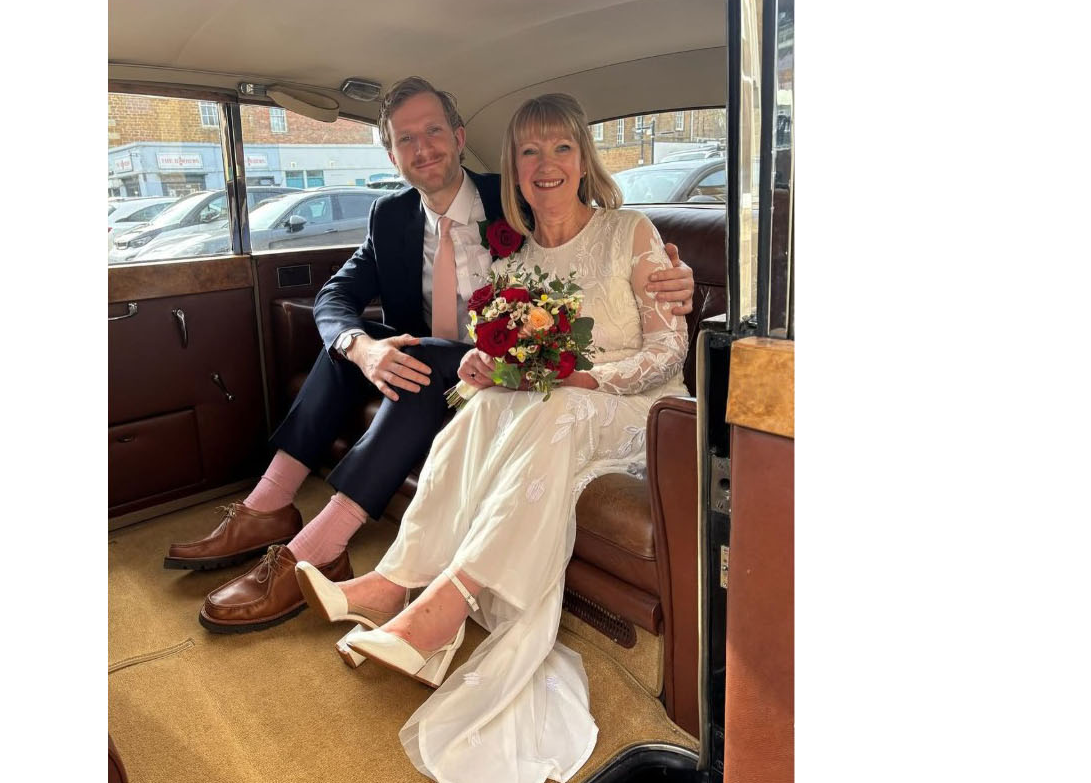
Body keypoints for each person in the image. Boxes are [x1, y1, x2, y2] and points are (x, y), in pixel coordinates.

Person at [165, 77, 695, 638]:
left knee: (415, 355)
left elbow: (603, 257)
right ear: (391, 154)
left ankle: (324, 545)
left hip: (504, 371)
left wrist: (673, 278)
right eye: (406, 139)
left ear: (460, 137)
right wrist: (362, 348)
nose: (423, 149)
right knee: (356, 344)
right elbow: (334, 298)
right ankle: (268, 503)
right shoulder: (390, 218)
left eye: (434, 131)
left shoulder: (517, 197)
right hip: (467, 373)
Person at [295, 92, 689, 782]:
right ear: (510, 165)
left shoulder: (630, 231)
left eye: (561, 147)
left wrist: (583, 377)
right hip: (554, 400)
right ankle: (395, 579)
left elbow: (669, 353)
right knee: (476, 408)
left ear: (582, 158)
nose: (545, 164)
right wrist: (482, 364)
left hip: (638, 405)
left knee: (555, 405)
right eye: (529, 151)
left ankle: (441, 609)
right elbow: (500, 357)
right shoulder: (514, 258)